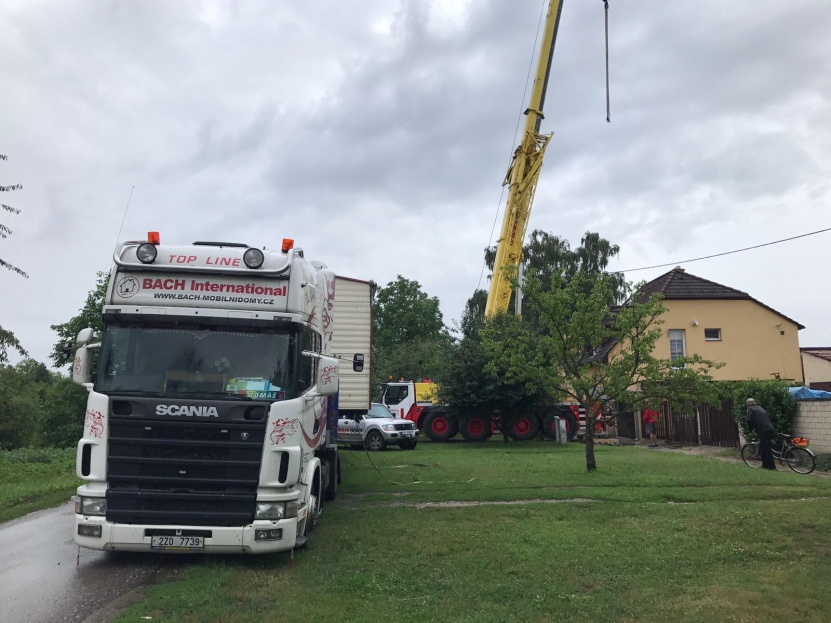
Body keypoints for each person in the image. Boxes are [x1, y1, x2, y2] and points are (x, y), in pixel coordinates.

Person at [746, 398, 777, 470]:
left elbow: (749, 420)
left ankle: (771, 467)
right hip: (770, 428)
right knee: (764, 447)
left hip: (763, 430)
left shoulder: (750, 409)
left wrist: (751, 429)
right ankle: (765, 465)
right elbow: (770, 416)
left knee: (766, 448)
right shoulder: (760, 408)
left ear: (747, 404)